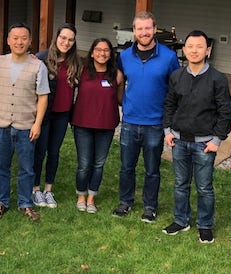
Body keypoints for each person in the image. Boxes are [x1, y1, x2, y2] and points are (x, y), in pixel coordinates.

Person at [161, 30, 231, 243]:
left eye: (199, 46)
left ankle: (205, 225)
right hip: (179, 141)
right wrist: (167, 131)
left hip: (205, 145)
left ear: (207, 50)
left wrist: (217, 140)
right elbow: (169, 105)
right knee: (180, 184)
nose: (194, 50)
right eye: (190, 46)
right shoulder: (176, 76)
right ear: (184, 50)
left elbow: (225, 112)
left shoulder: (217, 79)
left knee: (204, 187)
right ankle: (181, 220)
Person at [114, 11, 180, 222]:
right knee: (126, 167)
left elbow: (176, 88)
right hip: (130, 121)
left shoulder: (169, 57)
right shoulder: (124, 56)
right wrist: (123, 102)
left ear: (154, 29)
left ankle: (150, 207)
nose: (144, 32)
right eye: (139, 28)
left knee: (152, 169)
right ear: (134, 31)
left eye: (147, 28)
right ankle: (125, 202)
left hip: (155, 123)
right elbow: (119, 82)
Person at [0, 23, 50, 222]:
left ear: (30, 41)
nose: (19, 42)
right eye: (15, 38)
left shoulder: (37, 66)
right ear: (8, 41)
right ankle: (1, 201)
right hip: (2, 124)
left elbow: (42, 96)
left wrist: (37, 123)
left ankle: (25, 203)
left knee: (26, 168)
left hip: (26, 126)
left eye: (24, 38)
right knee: (0, 165)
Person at [32, 23, 81, 208]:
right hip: (44, 115)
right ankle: (35, 189)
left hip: (63, 114)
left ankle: (48, 189)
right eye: (63, 38)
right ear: (56, 38)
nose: (66, 42)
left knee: (54, 152)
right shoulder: (42, 59)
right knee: (40, 151)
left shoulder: (76, 62)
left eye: (70, 39)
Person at [72, 38, 123, 214]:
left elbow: (120, 99)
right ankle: (81, 195)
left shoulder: (117, 75)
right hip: (82, 124)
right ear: (92, 52)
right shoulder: (81, 71)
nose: (102, 53)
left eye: (106, 50)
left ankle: (91, 198)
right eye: (98, 49)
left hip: (106, 125)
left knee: (98, 164)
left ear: (111, 53)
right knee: (84, 164)